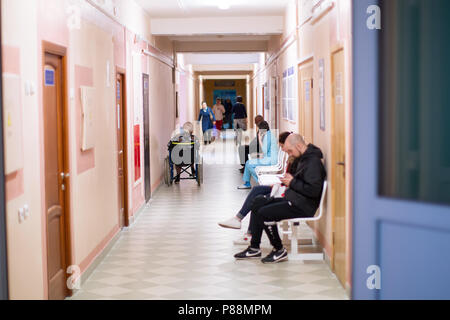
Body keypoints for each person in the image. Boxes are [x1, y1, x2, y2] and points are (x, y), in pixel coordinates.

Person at [234, 134, 326, 264]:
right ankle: (254, 247)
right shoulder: (302, 158)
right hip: (293, 198)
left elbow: (313, 191)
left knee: (264, 213)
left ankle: (279, 249)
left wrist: (292, 182)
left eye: (290, 151)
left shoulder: (313, 163)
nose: (289, 153)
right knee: (258, 201)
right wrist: (291, 170)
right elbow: (296, 179)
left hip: (302, 206)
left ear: (299, 146)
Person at [218, 132, 292, 244]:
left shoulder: (299, 160)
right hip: (283, 186)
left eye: (282, 147)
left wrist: (287, 183)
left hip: (288, 192)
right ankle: (238, 218)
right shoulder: (293, 158)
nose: (282, 150)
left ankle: (250, 236)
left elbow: (297, 182)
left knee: (259, 201)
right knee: (257, 190)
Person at [237, 121, 279, 190]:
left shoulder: (268, 136)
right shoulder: (269, 135)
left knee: (248, 163)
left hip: (270, 160)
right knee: (248, 163)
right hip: (269, 159)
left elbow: (264, 151)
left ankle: (260, 181)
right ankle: (250, 182)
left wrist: (259, 139)